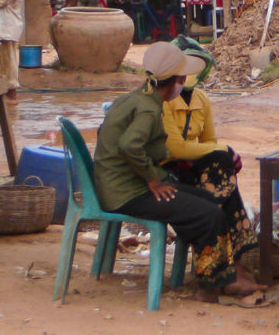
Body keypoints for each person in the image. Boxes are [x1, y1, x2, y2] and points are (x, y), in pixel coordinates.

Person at [93, 42, 265, 302]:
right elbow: (129, 145)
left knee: (209, 200)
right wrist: (152, 179)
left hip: (124, 186)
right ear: (175, 81)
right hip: (127, 193)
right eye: (181, 78)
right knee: (207, 214)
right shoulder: (150, 109)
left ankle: (222, 276)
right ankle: (211, 286)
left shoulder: (138, 98)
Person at [161, 49, 257, 294]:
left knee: (220, 170)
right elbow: (176, 149)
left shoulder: (202, 100)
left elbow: (209, 140)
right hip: (169, 170)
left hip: (196, 168)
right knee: (221, 164)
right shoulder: (163, 102)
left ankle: (225, 265)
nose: (184, 90)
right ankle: (228, 265)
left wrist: (218, 150)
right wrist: (222, 149)